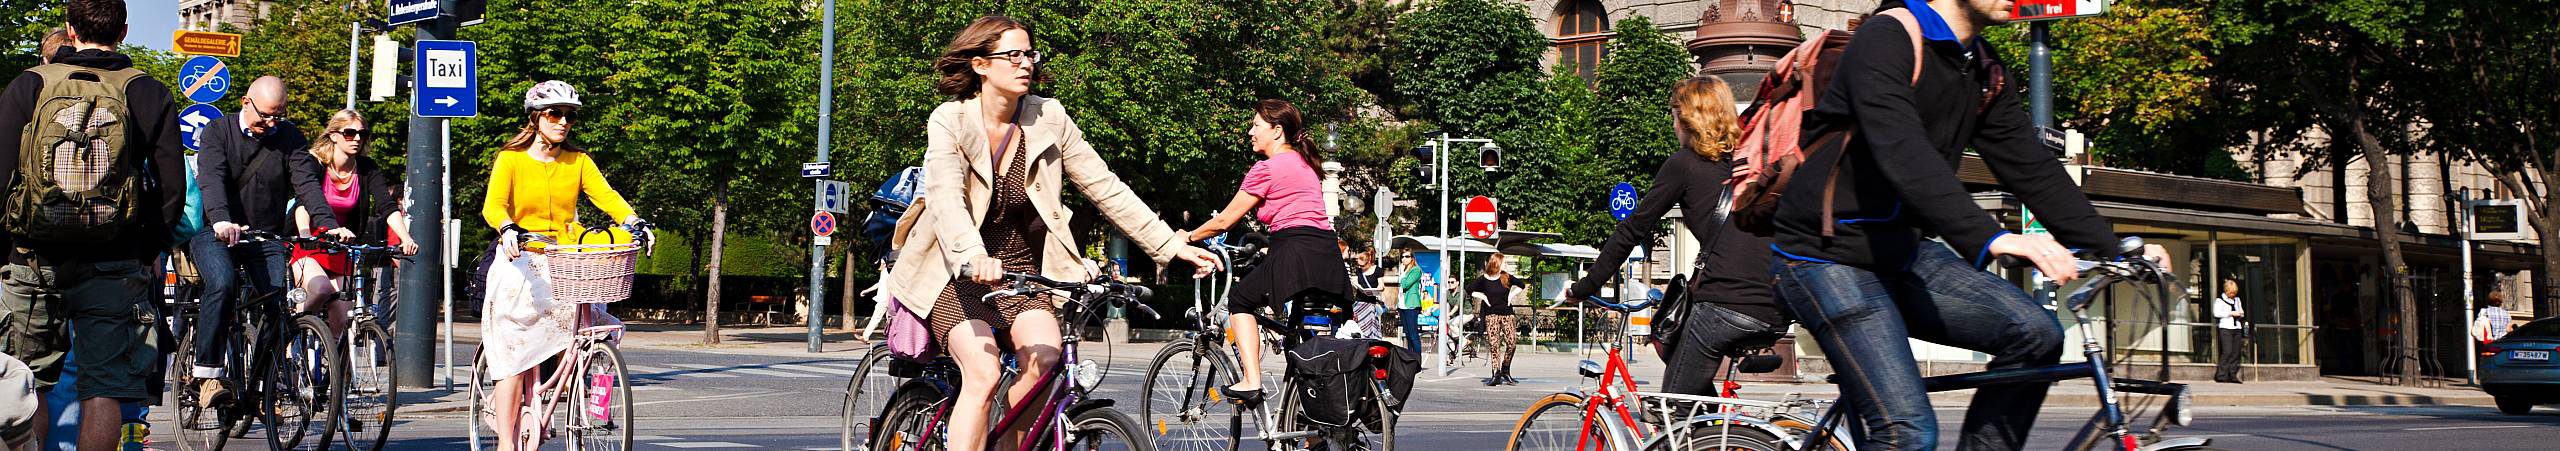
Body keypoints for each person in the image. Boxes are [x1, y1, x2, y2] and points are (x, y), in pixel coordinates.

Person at [1764, 1, 2171, 450]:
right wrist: (1990, 237)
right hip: (1825, 258)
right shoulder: (1886, 38)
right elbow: (1902, 151)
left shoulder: (1982, 67)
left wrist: (2115, 248)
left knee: (2035, 335)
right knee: (1907, 433)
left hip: (1902, 253)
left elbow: (2032, 167)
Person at [880, 16, 1219, 451]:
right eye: (1012, 55)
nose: (1025, 63)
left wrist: (1170, 245)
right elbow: (946, 197)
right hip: (954, 271)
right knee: (982, 375)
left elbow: (1105, 186)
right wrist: (971, 254)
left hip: (1022, 272)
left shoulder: (1049, 117)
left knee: (1046, 361)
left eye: (1029, 54)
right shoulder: (950, 120)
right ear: (981, 65)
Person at [0, 1, 190, 448]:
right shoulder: (147, 92)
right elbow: (172, 188)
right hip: (115, 260)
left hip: (33, 256)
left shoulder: (30, 85)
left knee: (26, 383)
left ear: (69, 30)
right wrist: (146, 251)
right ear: (123, 31)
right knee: (103, 388)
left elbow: (1, 171)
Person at [1565, 75, 1783, 396]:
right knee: (1685, 371)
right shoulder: (1747, 164)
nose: (1672, 122)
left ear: (1685, 117)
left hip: (1727, 303)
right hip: (1774, 304)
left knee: (1675, 403)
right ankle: (1716, 438)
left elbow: (1633, 229)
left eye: (1673, 113)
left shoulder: (1685, 164)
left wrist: (1586, 286)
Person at [480, 80, 646, 451]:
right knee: (515, 352)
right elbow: (494, 205)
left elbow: (607, 196)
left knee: (597, 333)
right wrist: (507, 227)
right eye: (555, 114)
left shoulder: (578, 161)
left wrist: (634, 221)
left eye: (569, 116)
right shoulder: (511, 159)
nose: (563, 122)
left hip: (567, 261)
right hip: (521, 257)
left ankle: (593, 408)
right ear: (536, 118)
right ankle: (506, 442)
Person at [1184, 98, 1351, 403]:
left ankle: (1251, 380)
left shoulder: (1267, 168)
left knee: (1240, 300)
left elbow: (1224, 221)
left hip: (1293, 250)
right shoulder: (1305, 164)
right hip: (1326, 254)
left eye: (1256, 125)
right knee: (1297, 343)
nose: (1250, 131)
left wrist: (1189, 237)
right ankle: (1310, 433)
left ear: (1276, 131)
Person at [186, 74, 316, 405]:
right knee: (223, 283)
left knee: (279, 305)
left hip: (264, 236)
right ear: (247, 102)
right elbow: (211, 178)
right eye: (266, 115)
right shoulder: (218, 131)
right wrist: (221, 220)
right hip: (216, 232)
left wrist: (327, 224)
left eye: (279, 115)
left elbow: (306, 184)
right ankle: (207, 375)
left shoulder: (289, 137)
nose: (271, 123)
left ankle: (259, 381)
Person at [289, 109, 418, 333]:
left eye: (362, 134)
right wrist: (305, 234)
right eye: (350, 133)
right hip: (309, 245)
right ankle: (292, 331)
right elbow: (304, 203)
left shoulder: (367, 168)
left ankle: (338, 366)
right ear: (334, 135)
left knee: (344, 315)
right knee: (320, 289)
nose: (357, 138)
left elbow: (387, 206)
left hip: (341, 245)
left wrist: (405, 237)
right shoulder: (316, 164)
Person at [1469, 253, 1528, 386]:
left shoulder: (1506, 277)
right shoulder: (1484, 279)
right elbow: (1469, 289)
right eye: (1504, 263)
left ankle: (1505, 369)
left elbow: (1521, 285)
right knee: (1494, 345)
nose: (1506, 265)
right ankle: (1496, 373)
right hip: (1492, 316)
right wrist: (1483, 297)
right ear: (1496, 263)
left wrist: (1511, 295)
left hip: (1507, 315)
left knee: (1512, 343)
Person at [2213, 279, 2247, 383]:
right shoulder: (2219, 301)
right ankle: (2221, 375)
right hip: (2226, 328)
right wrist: (2231, 313)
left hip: (2236, 328)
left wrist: (2240, 313)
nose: (2232, 295)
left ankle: (2232, 374)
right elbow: (2217, 313)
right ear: (2226, 291)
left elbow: (2241, 311)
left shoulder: (2237, 300)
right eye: (2231, 292)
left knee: (2235, 352)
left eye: (2234, 293)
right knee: (2227, 351)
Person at [1395, 253, 1427, 350]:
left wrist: (1402, 273)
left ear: (1412, 258)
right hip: (1402, 306)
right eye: (1402, 256)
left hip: (1411, 306)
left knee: (1413, 335)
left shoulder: (1415, 270)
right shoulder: (1404, 271)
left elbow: (1405, 285)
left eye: (1407, 256)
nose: (1404, 259)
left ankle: (1417, 361)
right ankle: (1410, 360)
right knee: (1408, 335)